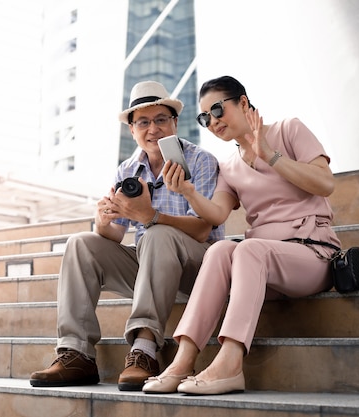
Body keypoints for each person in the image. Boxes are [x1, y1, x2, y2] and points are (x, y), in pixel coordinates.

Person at [142, 75, 341, 395]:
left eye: (218, 110)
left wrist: (270, 155)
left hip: (312, 253)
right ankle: (182, 362)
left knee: (248, 249)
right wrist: (189, 193)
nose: (212, 122)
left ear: (244, 103)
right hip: (263, 267)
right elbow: (218, 214)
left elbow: (325, 184)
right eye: (204, 117)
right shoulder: (230, 166)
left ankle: (231, 363)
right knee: (219, 251)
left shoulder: (288, 130)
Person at [29, 80, 225, 391]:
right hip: (150, 267)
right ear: (132, 130)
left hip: (198, 269)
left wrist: (152, 217)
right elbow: (114, 236)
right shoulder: (127, 171)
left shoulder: (200, 161)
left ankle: (145, 350)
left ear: (175, 123)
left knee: (157, 234)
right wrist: (103, 220)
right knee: (81, 243)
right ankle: (76, 353)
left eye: (161, 119)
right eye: (143, 122)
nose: (153, 129)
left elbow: (203, 229)